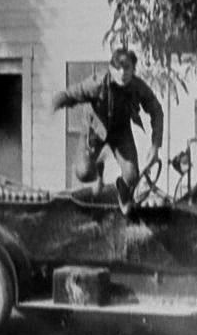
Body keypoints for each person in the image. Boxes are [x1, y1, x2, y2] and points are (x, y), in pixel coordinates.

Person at [53, 48, 164, 214]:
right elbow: (73, 94)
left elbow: (156, 111)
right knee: (83, 173)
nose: (122, 73)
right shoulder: (97, 83)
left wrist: (155, 146)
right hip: (95, 130)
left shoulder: (137, 87)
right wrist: (54, 104)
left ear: (133, 70)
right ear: (111, 69)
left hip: (120, 132)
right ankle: (98, 169)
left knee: (132, 176)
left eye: (127, 69)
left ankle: (124, 196)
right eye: (118, 68)